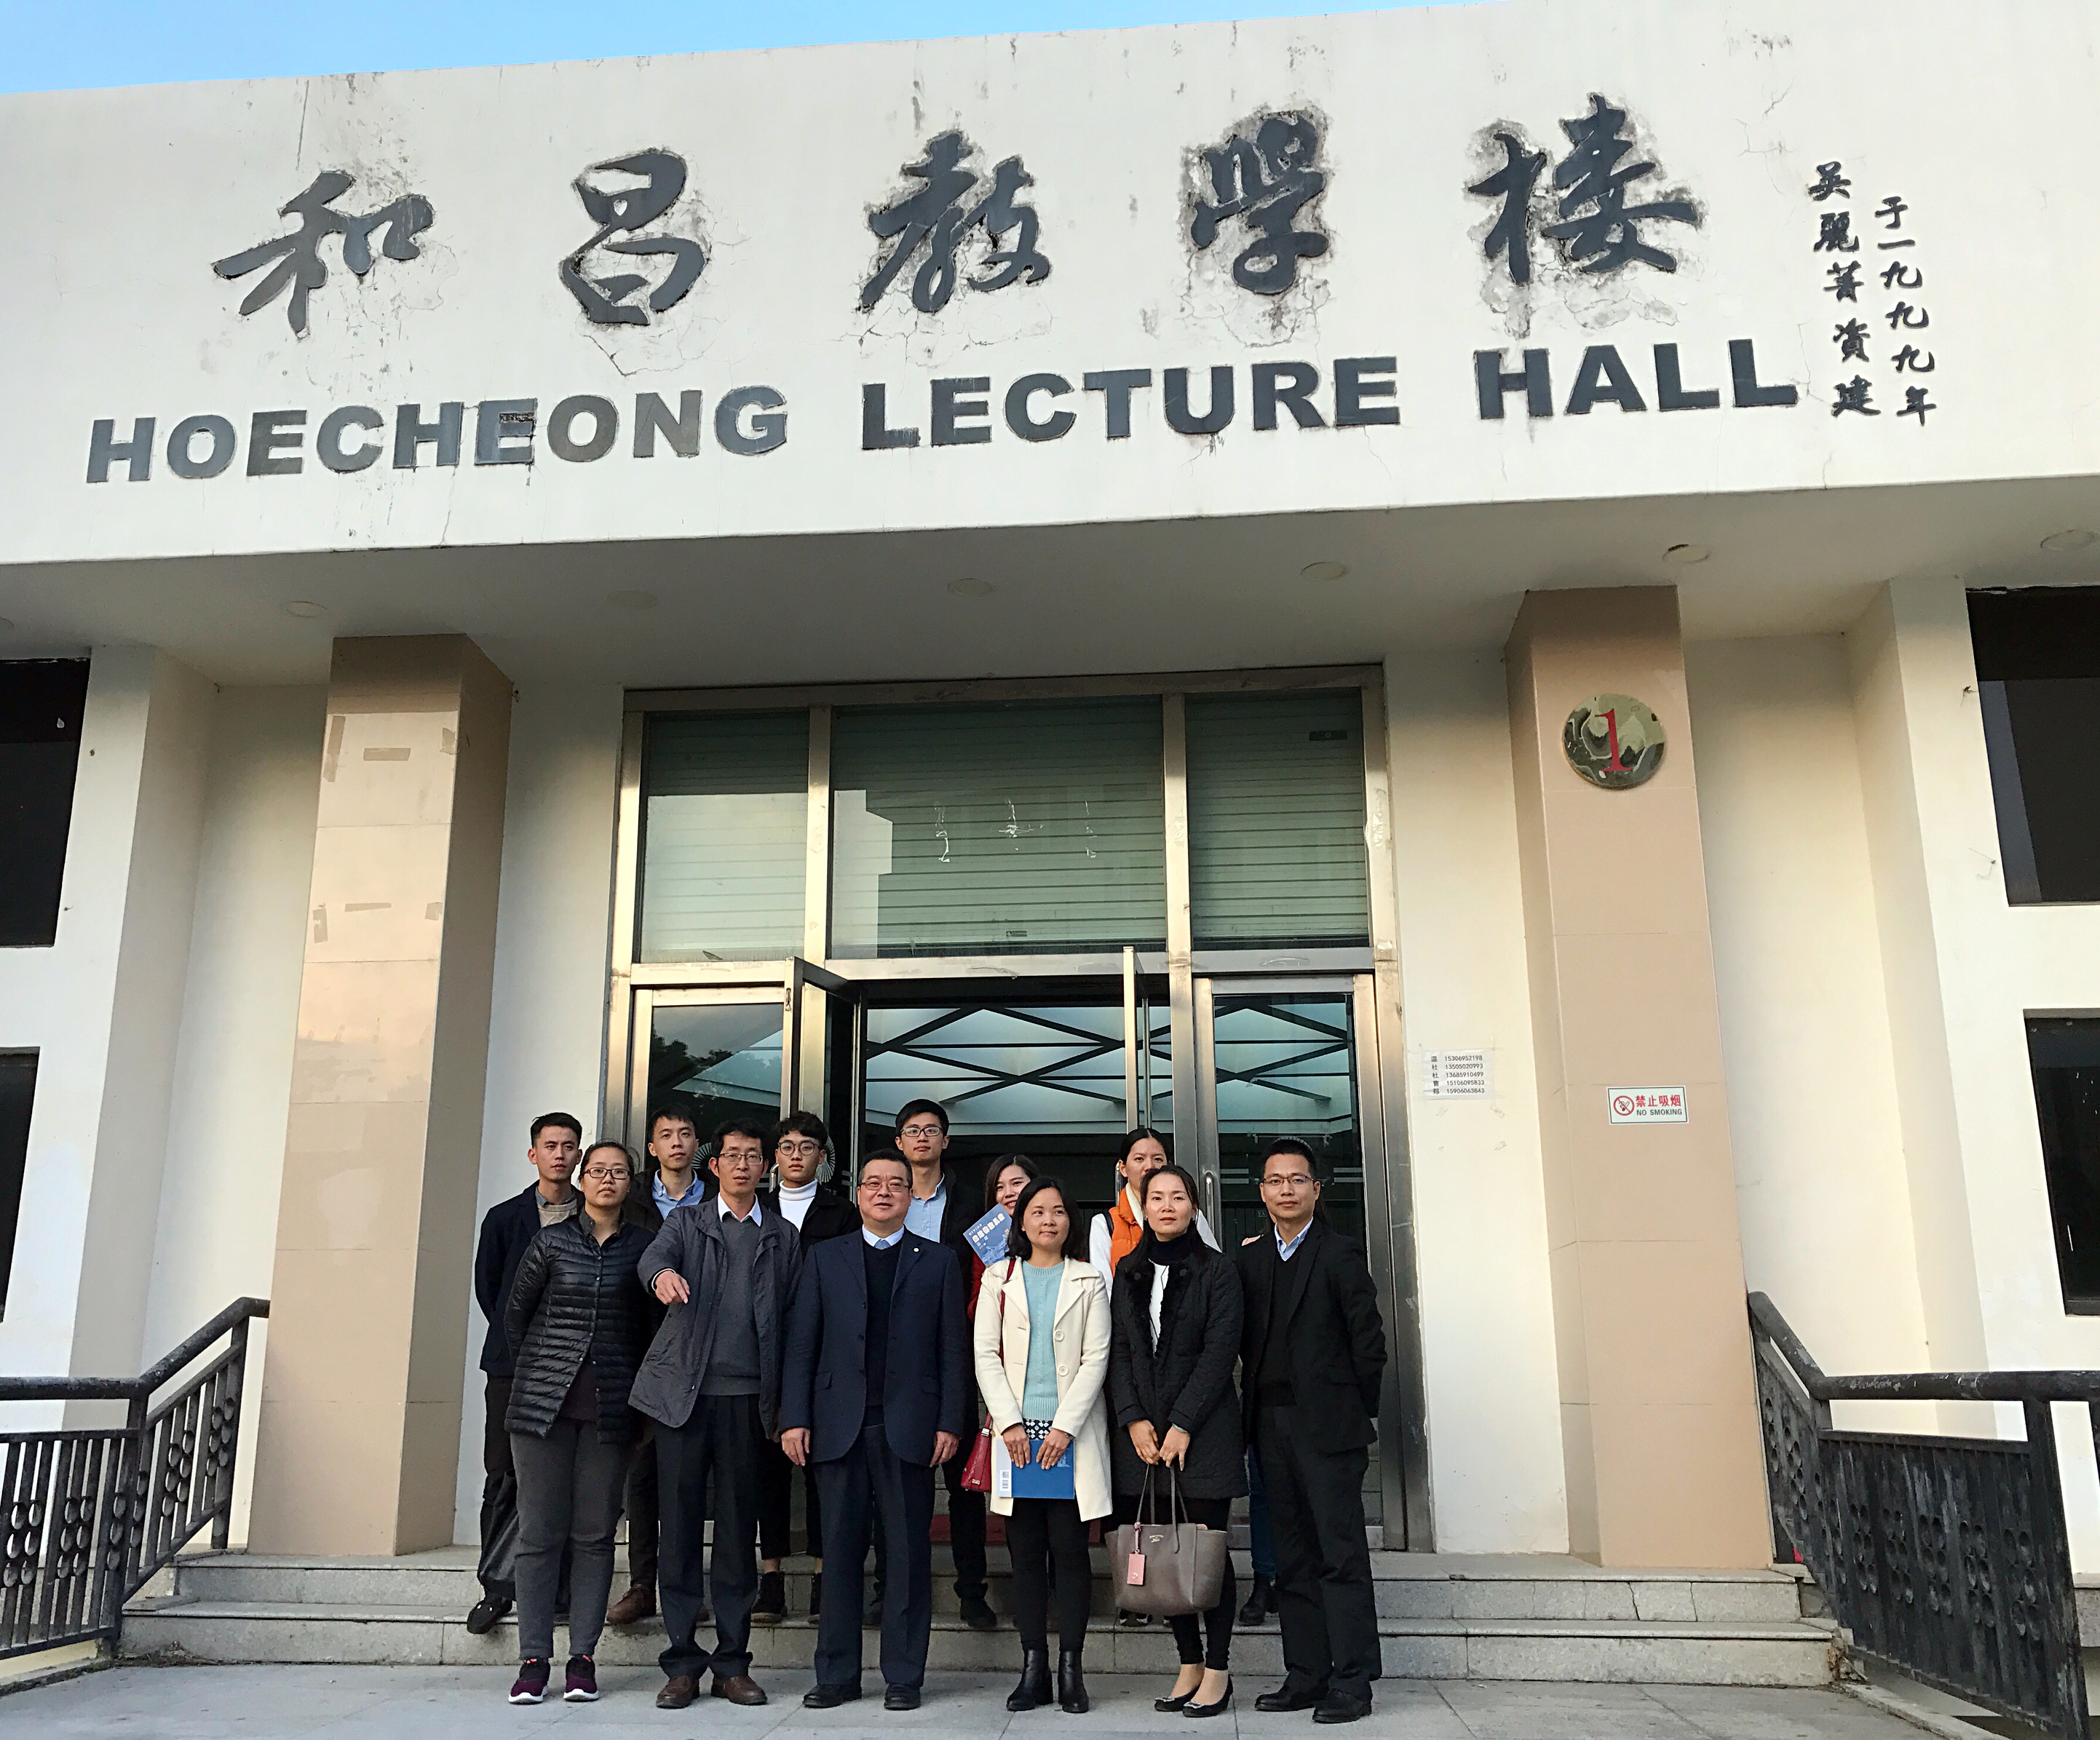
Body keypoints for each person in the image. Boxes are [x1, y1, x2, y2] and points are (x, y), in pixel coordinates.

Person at [780, 1148, 972, 1712]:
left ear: (911, 1196)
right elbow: (802, 1342)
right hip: (836, 1425)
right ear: (858, 1194)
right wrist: (794, 1416)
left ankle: (904, 1675)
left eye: (895, 1184)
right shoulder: (824, 1256)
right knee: (839, 1555)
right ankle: (836, 1674)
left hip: (909, 1426)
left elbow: (952, 1350)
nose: (884, 1191)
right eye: (873, 1183)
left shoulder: (937, 1261)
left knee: (907, 1556)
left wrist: (950, 1420)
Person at [630, 1117, 801, 1710]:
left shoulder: (782, 1235)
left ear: (765, 1167)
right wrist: (662, 1276)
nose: (742, 1165)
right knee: (678, 1529)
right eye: (732, 1155)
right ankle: (681, 1662)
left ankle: (732, 1662)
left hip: (748, 1402)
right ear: (715, 1164)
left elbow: (794, 1320)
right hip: (684, 1399)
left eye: (752, 1156)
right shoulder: (687, 1221)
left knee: (735, 1533)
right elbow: (651, 1259)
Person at [502, 1140, 659, 1705]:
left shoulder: (643, 1247)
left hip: (610, 1412)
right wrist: (540, 1374)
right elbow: (515, 1317)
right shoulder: (550, 1241)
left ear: (630, 1182)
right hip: (541, 1410)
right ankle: (533, 1658)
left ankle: (582, 1658)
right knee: (539, 1534)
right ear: (582, 1178)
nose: (607, 1179)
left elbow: (651, 1329)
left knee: (594, 1536)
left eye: (618, 1171)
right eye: (597, 1170)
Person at [1237, 1140, 1387, 1725]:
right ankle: (1306, 1674)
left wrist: (1349, 1410)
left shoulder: (1339, 1253)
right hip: (1268, 1426)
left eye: (1297, 1179)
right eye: (1275, 1180)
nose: (1286, 1189)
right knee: (1291, 1558)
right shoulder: (1250, 1259)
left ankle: (1352, 1680)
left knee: (1338, 1555)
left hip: (1327, 1428)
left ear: (1315, 1189)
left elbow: (1368, 1344)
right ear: (1262, 1192)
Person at [1108, 1163, 1244, 1720]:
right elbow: (1119, 1350)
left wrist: (1183, 1421)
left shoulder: (1218, 1270)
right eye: (1156, 1197)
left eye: (1178, 1197)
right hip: (1143, 1439)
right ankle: (1188, 1663)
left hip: (1203, 1433)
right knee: (1163, 1550)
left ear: (1193, 1206)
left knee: (1204, 1551)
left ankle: (1218, 1669)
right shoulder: (1127, 1269)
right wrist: (1133, 1419)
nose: (1166, 1206)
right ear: (1141, 1206)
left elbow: (1220, 1352)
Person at [974, 1177, 1112, 1716]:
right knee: (1026, 1556)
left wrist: (1064, 1427)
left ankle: (1072, 1669)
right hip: (1016, 1439)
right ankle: (1033, 1668)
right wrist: (1009, 1423)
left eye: (1057, 1211)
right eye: (1037, 1211)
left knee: (1071, 1554)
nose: (1048, 1220)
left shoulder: (1088, 1278)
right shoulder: (999, 1276)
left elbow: (1096, 1358)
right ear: (1021, 1221)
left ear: (1069, 1220)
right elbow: (985, 1353)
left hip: (1069, 1437)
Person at [467, 1112, 583, 1635]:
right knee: (504, 1473)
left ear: (578, 1154)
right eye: (550, 1145)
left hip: (578, 1367)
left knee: (567, 1476)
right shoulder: (503, 1218)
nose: (559, 1154)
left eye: (568, 1145)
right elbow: (490, 1290)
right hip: (513, 1366)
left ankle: (559, 1588)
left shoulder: (595, 1214)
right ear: (533, 1154)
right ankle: (496, 1586)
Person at [752, 1111, 861, 1626]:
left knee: (823, 1469)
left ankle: (823, 1576)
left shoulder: (843, 1214)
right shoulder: (755, 1209)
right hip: (760, 1353)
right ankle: (770, 1577)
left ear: (822, 1156)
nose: (796, 1155)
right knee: (767, 1472)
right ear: (774, 1157)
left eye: (807, 1147)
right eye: (787, 1147)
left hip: (824, 1355)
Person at [893, 1099, 996, 1630]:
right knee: (899, 1482)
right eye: (912, 1131)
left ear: (945, 1141)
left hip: (958, 1346)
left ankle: (971, 1590)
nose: (922, 1138)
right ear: (899, 1143)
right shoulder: (886, 1196)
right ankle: (893, 1588)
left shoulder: (973, 1204)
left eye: (931, 1130)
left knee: (963, 1484)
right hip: (897, 1353)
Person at [606, 1097, 708, 1629]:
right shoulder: (631, 1200)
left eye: (685, 1133)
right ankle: (643, 1583)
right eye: (666, 1135)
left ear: (698, 1144)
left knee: (696, 1478)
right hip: (643, 1349)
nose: (676, 1142)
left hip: (705, 1351)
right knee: (643, 1474)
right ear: (652, 1147)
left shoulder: (719, 1197)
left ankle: (688, 1586)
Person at [1088, 1129, 1219, 1280]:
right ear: (1123, 1168)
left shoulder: (1189, 1214)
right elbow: (1104, 1287)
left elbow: (1214, 1269)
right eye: (1139, 1159)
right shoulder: (1105, 1223)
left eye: (1158, 1159)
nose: (1149, 1166)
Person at [970, 1153, 1039, 1308]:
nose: (1008, 1193)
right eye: (999, 1188)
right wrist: (990, 1280)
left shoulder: (1050, 1228)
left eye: (1017, 1183)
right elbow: (974, 1309)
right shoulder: (985, 1242)